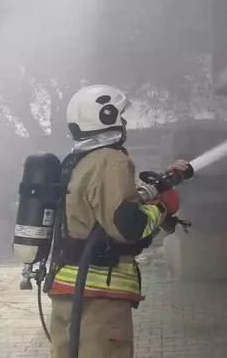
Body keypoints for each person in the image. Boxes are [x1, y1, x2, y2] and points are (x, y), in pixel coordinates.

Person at [48, 84, 189, 358]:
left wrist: (161, 182)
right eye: (120, 116)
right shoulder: (112, 161)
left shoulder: (78, 160)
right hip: (99, 293)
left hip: (67, 287)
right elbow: (128, 227)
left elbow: (101, 209)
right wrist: (162, 207)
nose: (124, 122)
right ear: (106, 116)